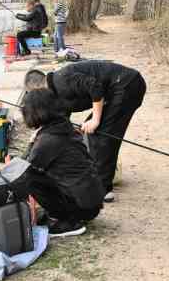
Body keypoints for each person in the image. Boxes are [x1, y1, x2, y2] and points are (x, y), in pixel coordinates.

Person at [24, 59, 147, 201]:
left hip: (127, 84)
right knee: (94, 131)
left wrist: (95, 120)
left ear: (39, 88)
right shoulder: (55, 96)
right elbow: (60, 121)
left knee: (101, 134)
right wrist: (38, 133)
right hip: (117, 90)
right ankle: (102, 175)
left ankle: (103, 189)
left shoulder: (61, 80)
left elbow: (95, 86)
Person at [10, 89, 105, 237]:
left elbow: (20, 169)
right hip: (92, 200)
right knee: (37, 173)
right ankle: (61, 214)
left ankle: (68, 223)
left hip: (82, 207)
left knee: (28, 178)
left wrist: (30, 143)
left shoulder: (47, 141)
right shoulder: (64, 126)